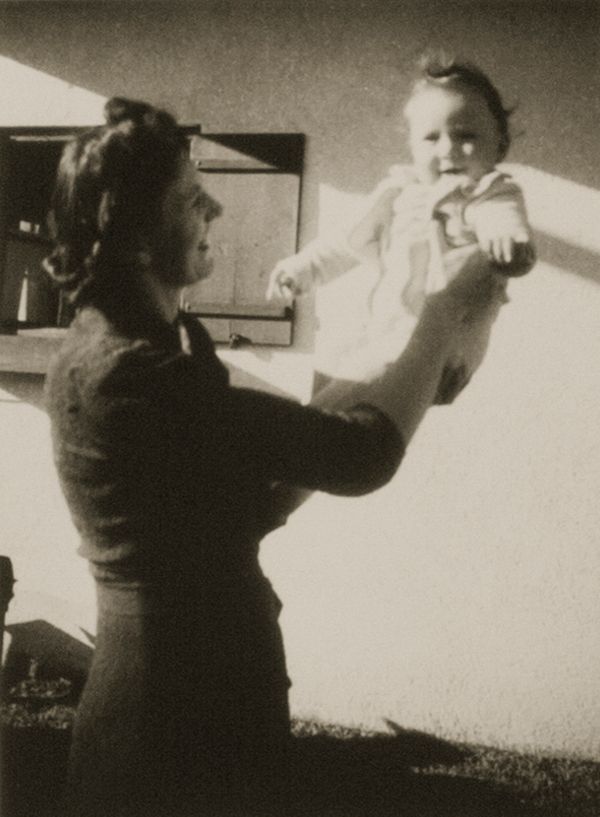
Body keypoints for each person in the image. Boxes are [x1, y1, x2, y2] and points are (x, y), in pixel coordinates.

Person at [44, 97, 506, 817]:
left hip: (216, 695)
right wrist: (441, 316)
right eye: (191, 198)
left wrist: (382, 377)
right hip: (164, 720)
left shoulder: (159, 345)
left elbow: (252, 500)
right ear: (133, 236)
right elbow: (359, 457)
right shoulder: (128, 371)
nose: (217, 208)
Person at [267, 57, 535, 399]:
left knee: (340, 402)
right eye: (431, 138)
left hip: (443, 349)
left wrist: (508, 240)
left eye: (466, 135)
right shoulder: (399, 192)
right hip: (382, 335)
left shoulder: (487, 193)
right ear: (411, 146)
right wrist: (302, 269)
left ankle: (316, 424)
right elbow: (346, 241)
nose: (448, 149)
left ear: (499, 144)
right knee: (333, 373)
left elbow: (502, 218)